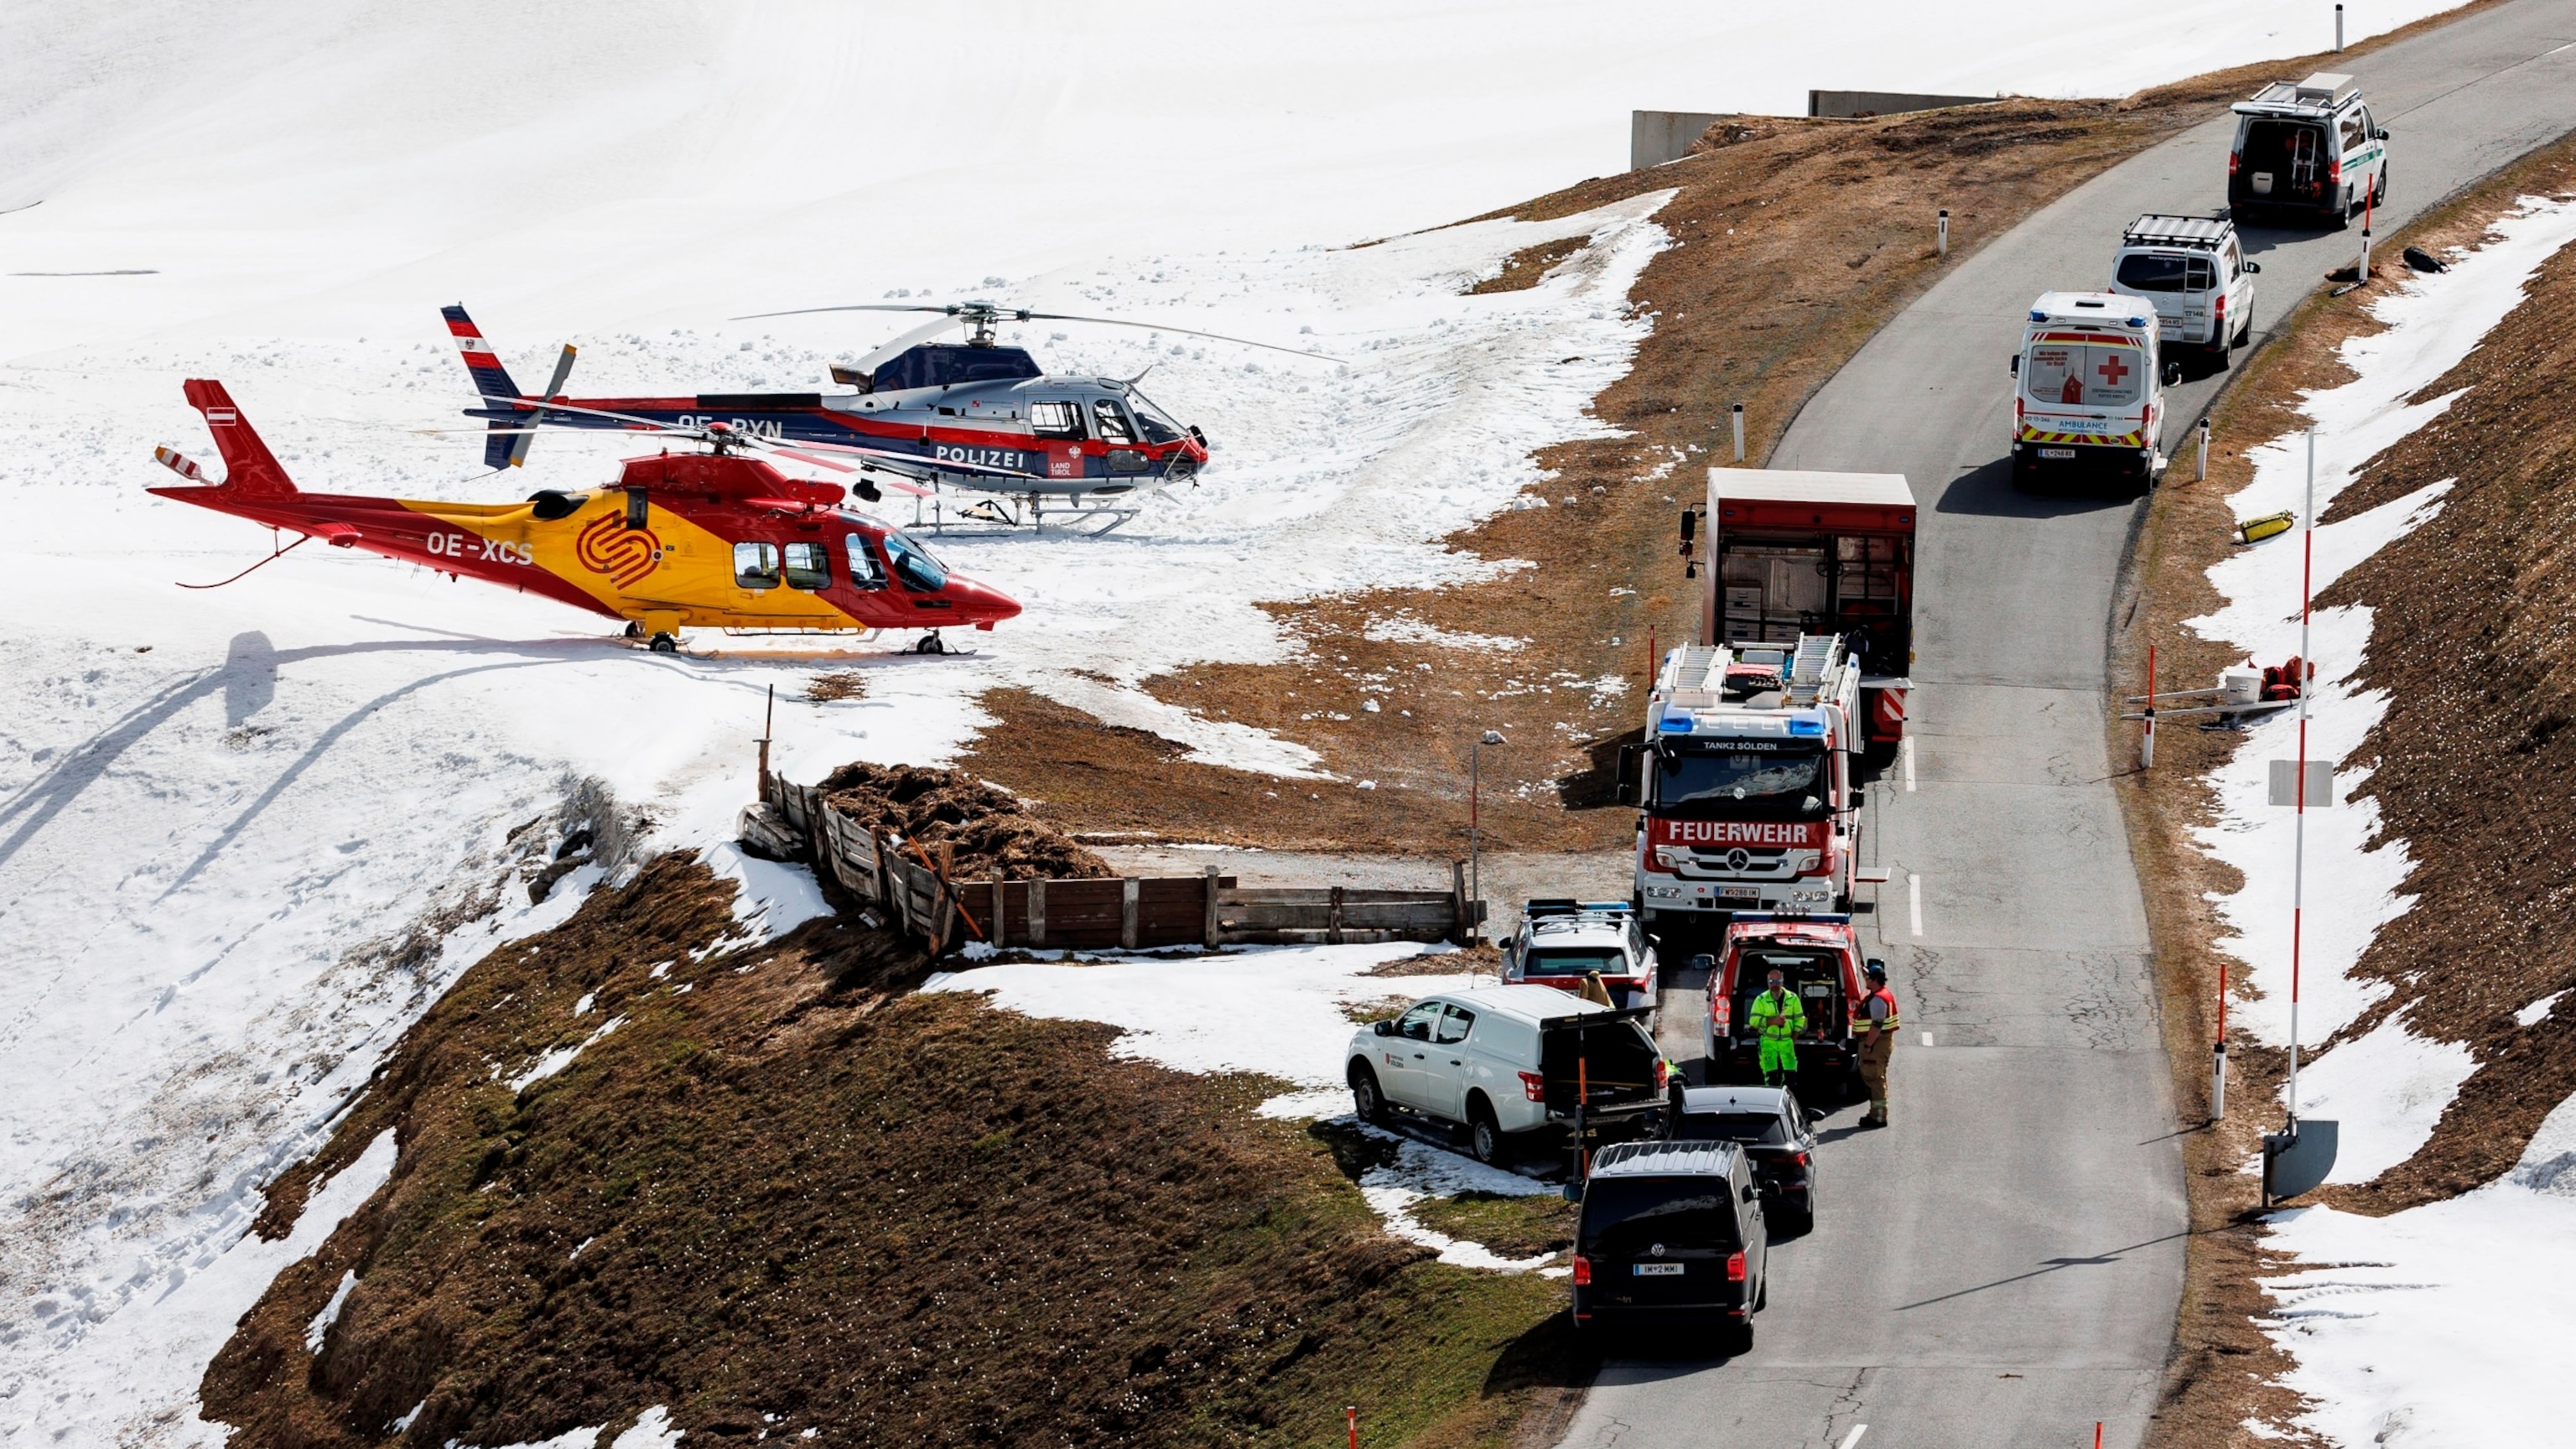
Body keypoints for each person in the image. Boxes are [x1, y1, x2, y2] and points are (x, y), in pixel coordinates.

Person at [1856, 961, 1901, 1127]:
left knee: (1874, 1078)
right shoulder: (1881, 994)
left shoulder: (1878, 1000)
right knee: (1876, 1077)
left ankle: (1878, 1117)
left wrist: (1868, 1045)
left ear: (1874, 980)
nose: (1865, 979)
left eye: (1868, 977)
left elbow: (1876, 1025)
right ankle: (1876, 1114)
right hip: (1880, 1042)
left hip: (1875, 1044)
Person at [1748, 967, 1806, 1088]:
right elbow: (1753, 1021)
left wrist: (1793, 1038)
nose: (1774, 985)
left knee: (1791, 1079)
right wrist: (1772, 1021)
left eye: (1778, 982)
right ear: (1767, 982)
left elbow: (1800, 1019)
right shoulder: (1761, 1000)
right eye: (1771, 982)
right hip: (1768, 1042)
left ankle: (1788, 1103)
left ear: (1783, 981)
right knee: (1771, 1079)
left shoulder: (1793, 998)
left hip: (1787, 1043)